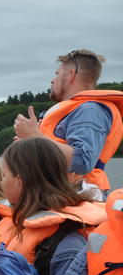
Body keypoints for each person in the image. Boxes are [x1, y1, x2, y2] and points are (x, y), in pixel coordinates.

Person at [0, 137, 106, 275]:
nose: (0, 182)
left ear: (19, 181)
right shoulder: (15, 219)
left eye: (3, 175)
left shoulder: (68, 242)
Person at [13, 49, 123, 193]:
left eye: (57, 74)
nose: (52, 80)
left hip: (76, 198)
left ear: (71, 74)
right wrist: (28, 147)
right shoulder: (77, 111)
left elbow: (82, 161)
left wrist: (35, 137)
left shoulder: (90, 110)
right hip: (56, 195)